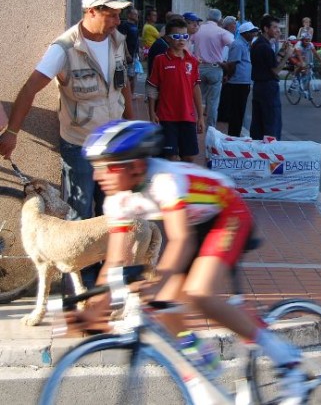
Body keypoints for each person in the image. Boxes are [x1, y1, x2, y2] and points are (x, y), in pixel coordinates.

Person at [79, 120, 309, 402]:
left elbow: (180, 240)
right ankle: (202, 372)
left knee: (199, 293)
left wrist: (157, 282)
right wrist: (95, 308)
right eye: (95, 166)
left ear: (135, 166)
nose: (97, 176)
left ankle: (288, 361)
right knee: (165, 307)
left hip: (227, 214)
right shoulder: (117, 200)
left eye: (105, 167)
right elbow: (114, 261)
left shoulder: (164, 180)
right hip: (194, 225)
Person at [0, 0, 134, 221]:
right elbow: (30, 88)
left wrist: (132, 124)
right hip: (79, 145)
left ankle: (108, 259)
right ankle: (83, 260)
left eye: (118, 15)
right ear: (91, 11)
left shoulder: (118, 41)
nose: (117, 21)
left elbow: (123, 84)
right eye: (111, 14)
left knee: (112, 213)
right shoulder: (64, 48)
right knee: (78, 216)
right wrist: (12, 131)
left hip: (113, 143)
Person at [146, 17, 204, 162]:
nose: (181, 40)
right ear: (168, 38)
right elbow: (152, 87)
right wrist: (152, 113)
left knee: (189, 157)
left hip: (188, 116)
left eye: (185, 36)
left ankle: (184, 184)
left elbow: (195, 88)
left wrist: (200, 116)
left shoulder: (193, 61)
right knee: (170, 157)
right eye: (176, 36)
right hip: (166, 117)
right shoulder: (160, 60)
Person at [193, 8, 234, 129]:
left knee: (196, 98)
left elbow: (189, 43)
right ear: (220, 19)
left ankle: (193, 123)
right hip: (215, 68)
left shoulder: (197, 30)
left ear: (207, 17)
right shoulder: (222, 32)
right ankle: (210, 128)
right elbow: (233, 45)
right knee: (213, 102)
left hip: (199, 67)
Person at [250, 15, 287, 140]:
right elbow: (275, 70)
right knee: (271, 122)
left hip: (259, 86)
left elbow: (271, 63)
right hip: (268, 87)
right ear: (266, 29)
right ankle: (272, 153)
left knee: (259, 122)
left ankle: (258, 151)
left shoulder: (257, 43)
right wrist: (288, 55)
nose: (278, 30)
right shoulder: (265, 47)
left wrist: (282, 52)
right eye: (275, 27)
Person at [221, 22, 257, 137]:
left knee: (240, 110)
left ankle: (235, 134)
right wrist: (229, 76)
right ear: (245, 33)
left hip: (243, 82)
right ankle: (233, 136)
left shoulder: (245, 44)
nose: (253, 34)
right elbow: (232, 64)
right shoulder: (238, 45)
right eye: (251, 32)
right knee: (236, 111)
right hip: (237, 83)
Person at [118, 7, 140, 92]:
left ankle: (132, 93)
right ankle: (127, 93)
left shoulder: (135, 26)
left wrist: (139, 51)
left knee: (134, 74)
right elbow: (123, 40)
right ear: (129, 15)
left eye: (137, 14)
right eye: (134, 14)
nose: (136, 16)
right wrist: (127, 53)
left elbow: (137, 39)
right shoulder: (125, 25)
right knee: (128, 75)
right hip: (128, 54)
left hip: (135, 54)